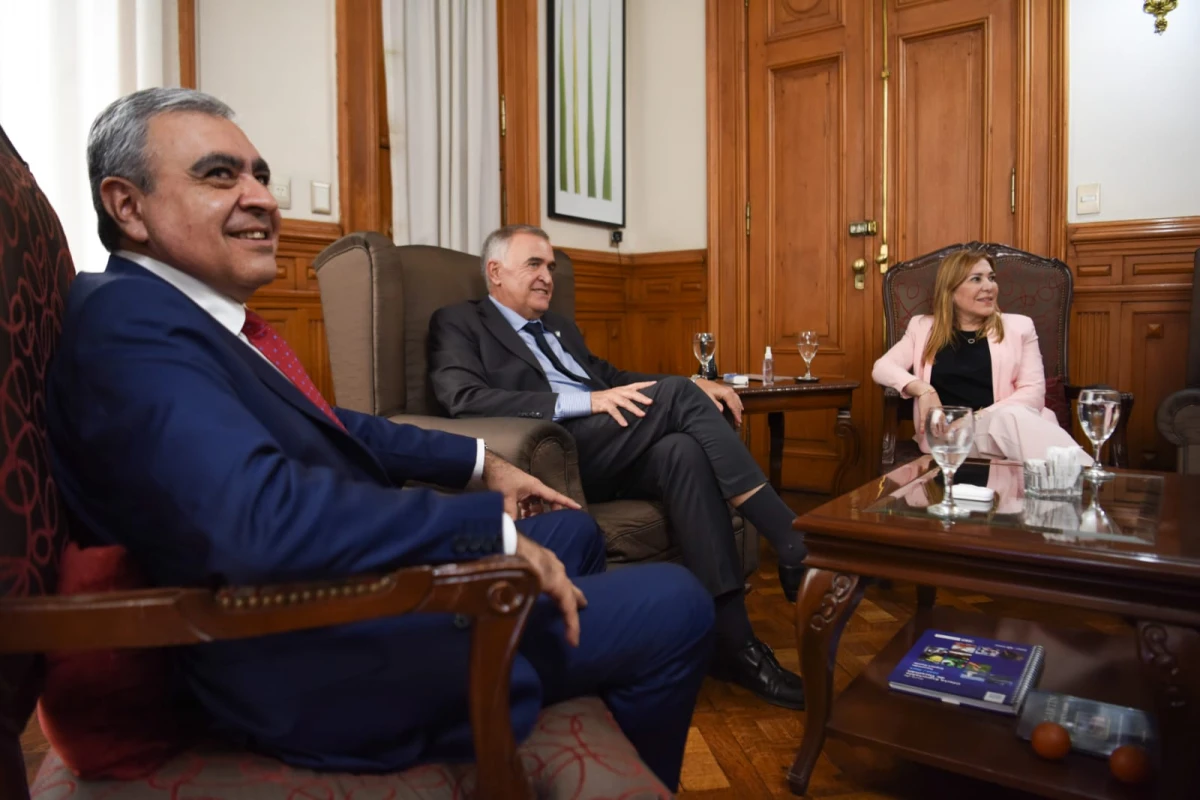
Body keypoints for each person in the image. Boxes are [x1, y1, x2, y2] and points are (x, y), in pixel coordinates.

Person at [45, 88, 715, 791]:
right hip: (315, 655)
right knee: (676, 602)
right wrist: (490, 533)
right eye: (220, 175)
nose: (263, 200)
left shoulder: (184, 319)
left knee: (572, 534)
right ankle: (545, 692)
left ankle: (552, 673)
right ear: (128, 205)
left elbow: (325, 423)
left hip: (330, 596)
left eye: (261, 175)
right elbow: (257, 518)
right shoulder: (130, 326)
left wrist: (484, 464)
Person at [427, 225, 810, 710]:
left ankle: (734, 644)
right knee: (678, 397)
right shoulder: (461, 322)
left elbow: (613, 378)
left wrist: (689, 382)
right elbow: (463, 400)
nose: (548, 276)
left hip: (607, 445)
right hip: (553, 448)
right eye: (535, 265)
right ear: (495, 272)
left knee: (682, 453)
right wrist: (585, 401)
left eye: (551, 267)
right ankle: (790, 535)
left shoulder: (561, 327)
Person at [872, 247, 1090, 465]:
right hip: (949, 439)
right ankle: (1089, 480)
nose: (989, 287)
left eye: (991, 278)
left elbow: (1033, 393)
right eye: (976, 279)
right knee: (1016, 422)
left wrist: (973, 419)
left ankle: (1081, 479)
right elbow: (882, 367)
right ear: (951, 290)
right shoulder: (922, 327)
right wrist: (923, 389)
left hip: (1006, 428)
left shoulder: (1019, 326)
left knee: (1011, 418)